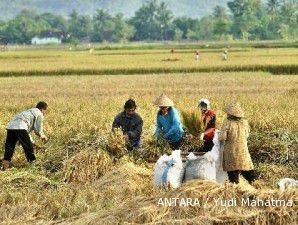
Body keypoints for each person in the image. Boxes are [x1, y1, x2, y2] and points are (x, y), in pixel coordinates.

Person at [2, 101, 49, 170]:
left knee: (9, 147)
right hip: (20, 127)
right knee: (28, 147)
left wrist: (32, 142)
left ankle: (5, 166)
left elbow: (26, 132)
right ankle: (32, 166)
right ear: (42, 109)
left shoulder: (28, 112)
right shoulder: (39, 113)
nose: (44, 113)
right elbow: (38, 129)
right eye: (45, 110)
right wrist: (43, 136)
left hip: (11, 127)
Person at [219, 102, 255, 184]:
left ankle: (235, 193)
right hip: (243, 152)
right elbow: (247, 135)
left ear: (230, 114)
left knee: (234, 178)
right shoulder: (245, 123)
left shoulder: (228, 123)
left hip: (232, 152)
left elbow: (222, 137)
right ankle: (258, 190)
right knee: (249, 174)